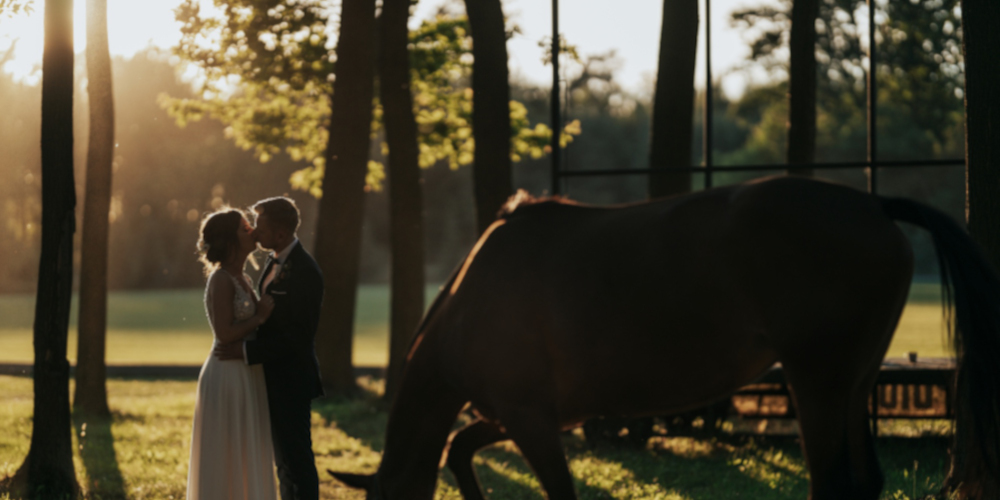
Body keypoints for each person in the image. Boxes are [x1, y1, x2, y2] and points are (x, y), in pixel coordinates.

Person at [214, 197, 325, 500]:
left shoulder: (305, 271)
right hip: (270, 377)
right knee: (284, 463)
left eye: (259, 227)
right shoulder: (273, 261)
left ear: (279, 234)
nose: (253, 232)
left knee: (296, 459)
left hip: (291, 379)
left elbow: (298, 338)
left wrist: (246, 353)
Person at [187, 208, 277, 500]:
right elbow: (224, 333)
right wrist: (259, 317)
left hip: (246, 371)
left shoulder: (244, 279)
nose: (252, 230)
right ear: (229, 241)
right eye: (244, 228)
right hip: (226, 374)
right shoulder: (221, 280)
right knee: (227, 454)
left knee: (246, 450)